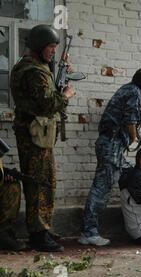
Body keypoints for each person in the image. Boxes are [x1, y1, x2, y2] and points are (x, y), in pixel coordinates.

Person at [9, 24, 76, 252]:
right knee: (39, 184)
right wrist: (65, 95)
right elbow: (48, 104)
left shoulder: (32, 67)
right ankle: (38, 234)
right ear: (38, 46)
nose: (53, 51)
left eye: (55, 47)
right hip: (35, 135)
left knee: (43, 182)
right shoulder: (35, 72)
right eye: (50, 46)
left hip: (36, 134)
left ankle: (43, 228)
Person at [79, 68, 141, 246]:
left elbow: (127, 113)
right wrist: (132, 137)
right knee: (101, 188)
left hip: (111, 144)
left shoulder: (130, 90)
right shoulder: (134, 93)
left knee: (132, 175)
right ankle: (89, 232)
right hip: (112, 144)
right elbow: (129, 121)